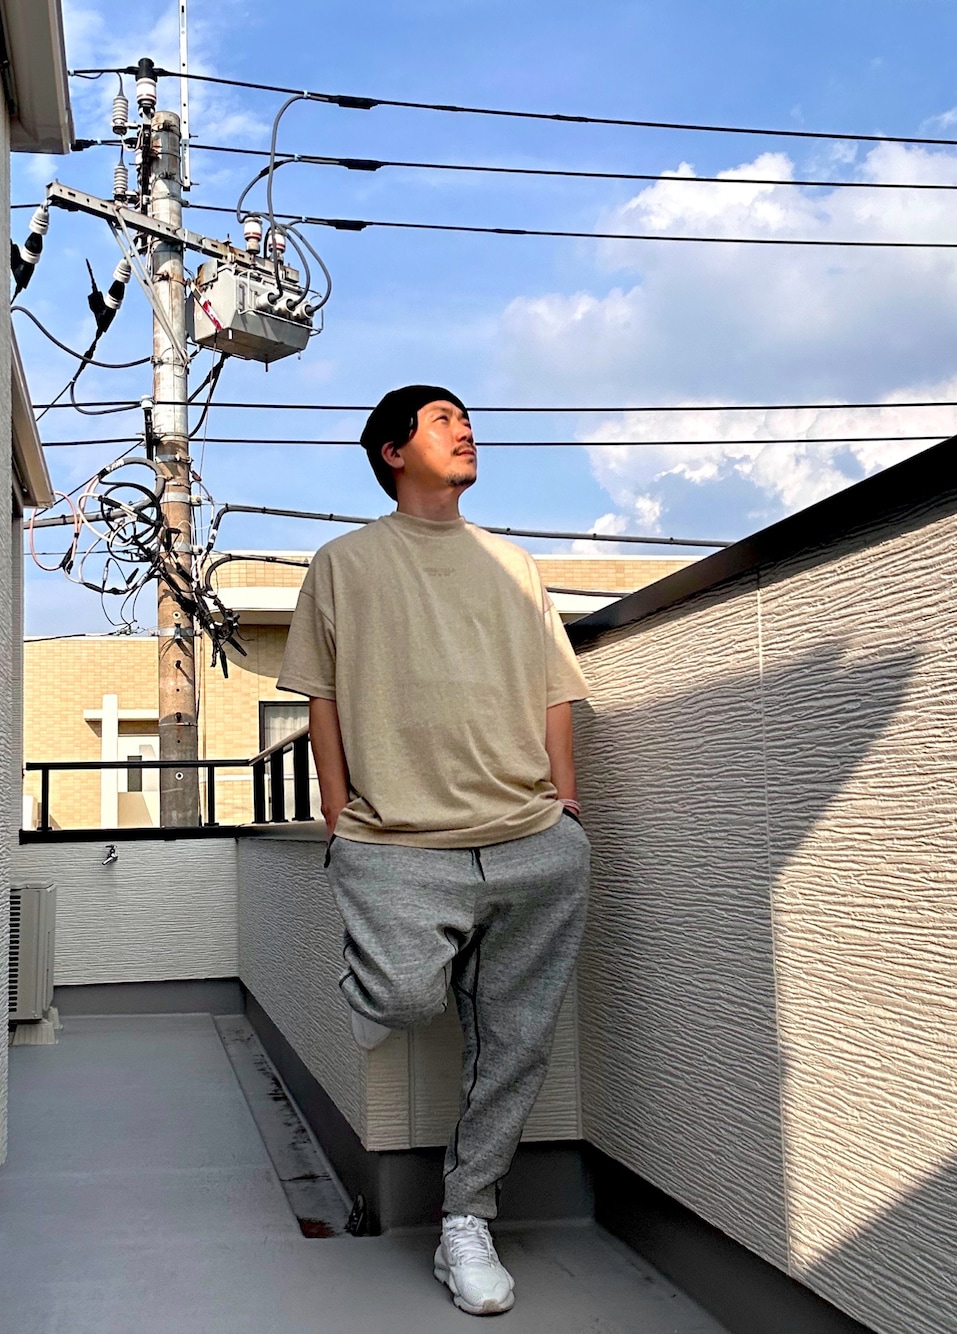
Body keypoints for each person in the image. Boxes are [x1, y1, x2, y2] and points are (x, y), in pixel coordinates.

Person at [277, 384, 590, 1317]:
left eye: (466, 419)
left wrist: (568, 804)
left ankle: (466, 1220)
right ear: (391, 451)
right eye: (443, 420)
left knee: (516, 1046)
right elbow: (322, 697)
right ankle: (385, 984)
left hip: (531, 840)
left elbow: (555, 689)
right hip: (397, 841)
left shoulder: (513, 564)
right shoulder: (344, 563)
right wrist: (337, 812)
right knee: (406, 997)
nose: (466, 430)